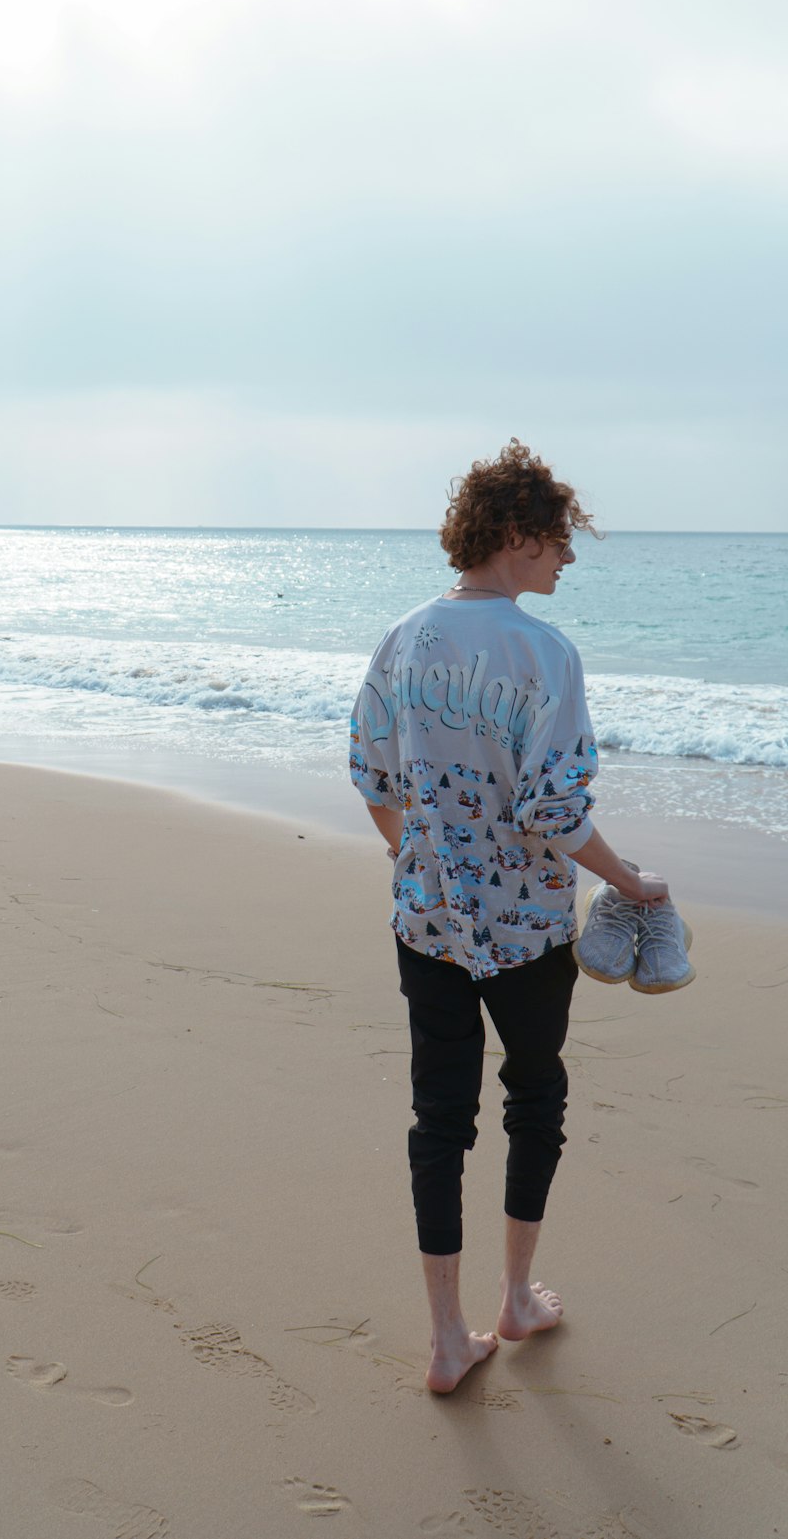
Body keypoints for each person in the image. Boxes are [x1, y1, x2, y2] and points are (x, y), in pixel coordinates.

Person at [349, 440, 668, 1393]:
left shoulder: (402, 637)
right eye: (560, 541)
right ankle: (516, 1298)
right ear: (519, 536)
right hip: (526, 929)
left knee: (438, 1117)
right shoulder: (545, 652)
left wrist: (417, 856)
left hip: (427, 924)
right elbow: (553, 811)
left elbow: (372, 774)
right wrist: (633, 879)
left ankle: (448, 1338)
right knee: (535, 1098)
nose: (568, 559)